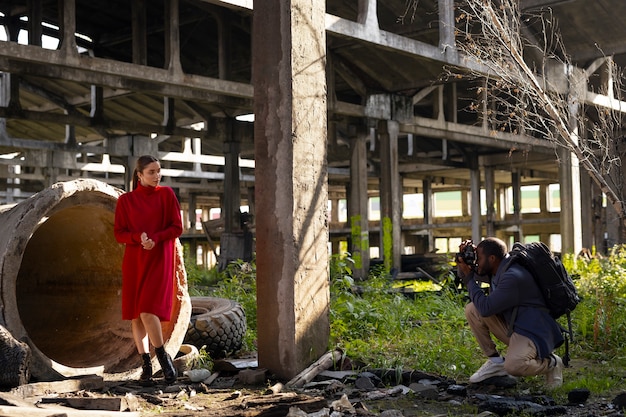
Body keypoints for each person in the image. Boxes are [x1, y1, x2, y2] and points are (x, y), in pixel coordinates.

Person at [456, 237, 565, 388]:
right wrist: (462, 260)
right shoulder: (497, 269)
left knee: (514, 366)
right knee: (472, 309)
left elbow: (486, 307)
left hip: (533, 332)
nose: (477, 262)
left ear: (492, 258)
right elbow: (467, 275)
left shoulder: (512, 277)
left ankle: (552, 363)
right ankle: (496, 362)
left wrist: (469, 278)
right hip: (515, 325)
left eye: (479, 258)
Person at [114, 155, 183, 385]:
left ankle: (163, 360)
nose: (156, 176)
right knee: (136, 315)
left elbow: (177, 227)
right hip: (134, 260)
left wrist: (155, 238)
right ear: (139, 175)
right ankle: (146, 367)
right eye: (151, 172)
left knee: (146, 309)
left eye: (158, 171)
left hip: (159, 258)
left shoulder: (166, 195)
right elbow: (119, 233)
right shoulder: (125, 201)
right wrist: (137, 237)